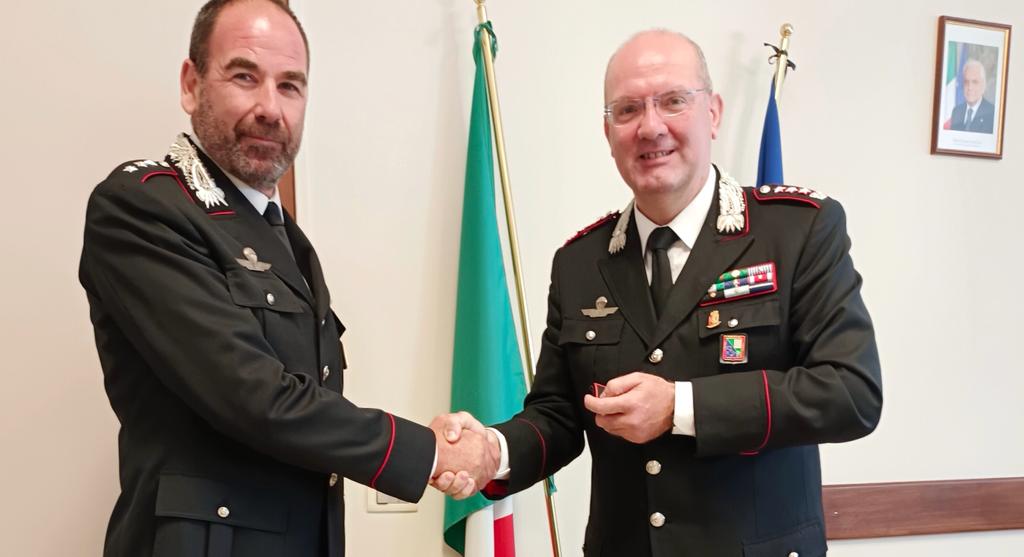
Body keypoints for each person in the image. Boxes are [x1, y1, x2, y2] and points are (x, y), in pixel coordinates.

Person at [437, 29, 882, 557]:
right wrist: (493, 450)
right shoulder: (580, 262)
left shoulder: (797, 232)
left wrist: (679, 407)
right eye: (627, 110)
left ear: (713, 113)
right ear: (608, 133)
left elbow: (850, 392)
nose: (650, 127)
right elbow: (558, 414)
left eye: (673, 101)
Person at [79, 1, 493, 555]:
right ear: (191, 84)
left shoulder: (283, 238)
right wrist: (430, 452)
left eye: (290, 86)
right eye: (244, 77)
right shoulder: (142, 207)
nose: (270, 109)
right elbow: (251, 394)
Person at [950, 59, 995, 133]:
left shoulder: (992, 113)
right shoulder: (956, 111)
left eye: (975, 82)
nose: (970, 87)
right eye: (966, 82)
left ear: (983, 85)